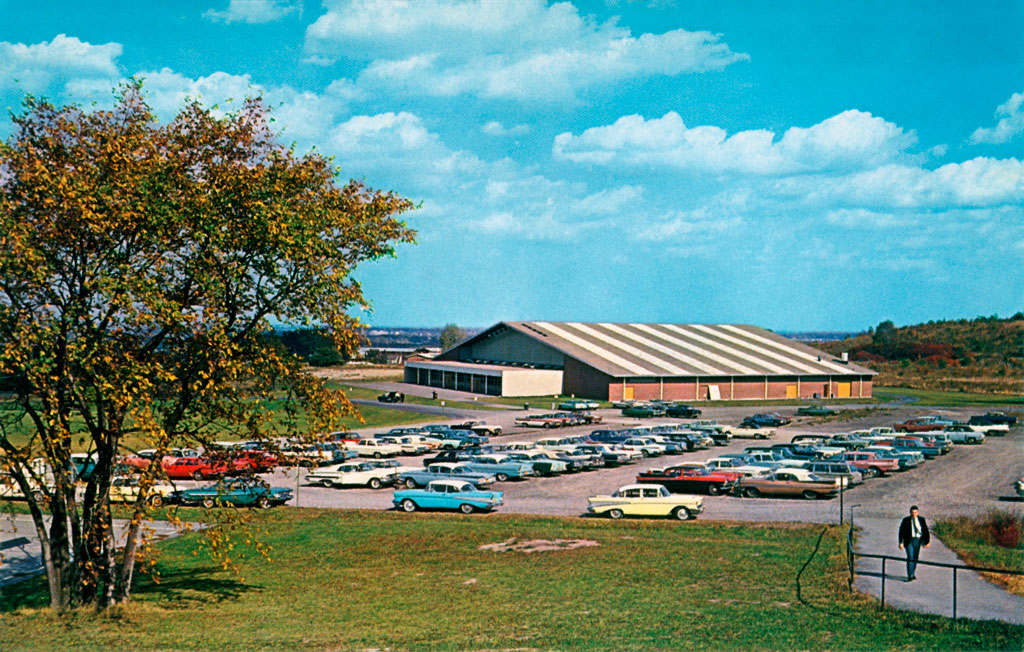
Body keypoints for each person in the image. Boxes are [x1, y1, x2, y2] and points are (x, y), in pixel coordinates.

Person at [898, 505, 930, 581]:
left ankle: (912, 573)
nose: (914, 514)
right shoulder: (906, 520)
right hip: (909, 541)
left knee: (915, 557)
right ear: (910, 513)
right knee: (910, 557)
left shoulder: (921, 520)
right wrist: (900, 542)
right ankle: (910, 575)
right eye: (912, 512)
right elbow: (901, 531)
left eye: (915, 512)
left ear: (918, 512)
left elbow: (925, 531)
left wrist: (927, 542)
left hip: (918, 540)